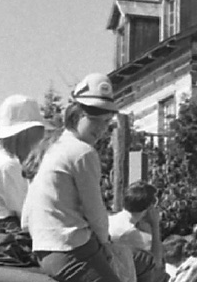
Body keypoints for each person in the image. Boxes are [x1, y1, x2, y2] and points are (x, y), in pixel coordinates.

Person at [25, 73, 123, 282]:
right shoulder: (82, 152)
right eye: (94, 119)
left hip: (45, 247)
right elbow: (94, 210)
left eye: (106, 122)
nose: (101, 128)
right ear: (76, 114)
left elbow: (27, 216)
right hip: (70, 249)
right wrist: (106, 243)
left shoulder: (54, 147)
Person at [0, 94, 47, 227]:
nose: (40, 138)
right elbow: (28, 213)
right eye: (37, 132)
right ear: (25, 134)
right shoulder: (7, 165)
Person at [112, 182, 162, 282]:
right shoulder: (130, 233)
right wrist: (155, 225)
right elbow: (156, 263)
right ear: (149, 207)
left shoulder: (112, 220)